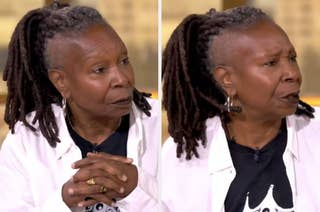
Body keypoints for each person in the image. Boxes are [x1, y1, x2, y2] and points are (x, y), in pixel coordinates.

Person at [0, 2, 159, 212]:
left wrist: (137, 187)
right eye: (100, 69)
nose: (122, 78)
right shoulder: (26, 141)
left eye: (124, 60)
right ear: (61, 82)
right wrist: (63, 204)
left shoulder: (162, 125)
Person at [162, 6, 320, 212]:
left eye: (292, 58)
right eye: (271, 63)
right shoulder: (180, 159)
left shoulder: (314, 135)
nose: (292, 73)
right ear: (227, 79)